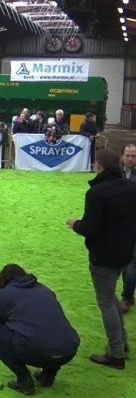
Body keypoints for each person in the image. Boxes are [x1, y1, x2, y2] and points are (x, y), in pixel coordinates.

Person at [68, 148, 136, 370]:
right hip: (124, 251)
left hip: (104, 255)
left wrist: (76, 224)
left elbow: (91, 228)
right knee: (110, 297)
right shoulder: (130, 186)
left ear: (99, 166)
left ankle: (116, 353)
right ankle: (122, 344)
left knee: (105, 302)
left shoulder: (97, 193)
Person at [0, 263, 79, 394]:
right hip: (68, 350)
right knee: (51, 332)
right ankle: (48, 375)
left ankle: (24, 380)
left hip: (37, 352)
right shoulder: (44, 289)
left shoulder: (4, 294)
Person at [121, 143, 136, 313]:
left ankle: (126, 297)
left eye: (134, 156)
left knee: (131, 263)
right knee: (126, 263)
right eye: (128, 155)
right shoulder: (116, 173)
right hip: (120, 226)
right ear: (122, 156)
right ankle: (129, 295)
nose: (131, 159)